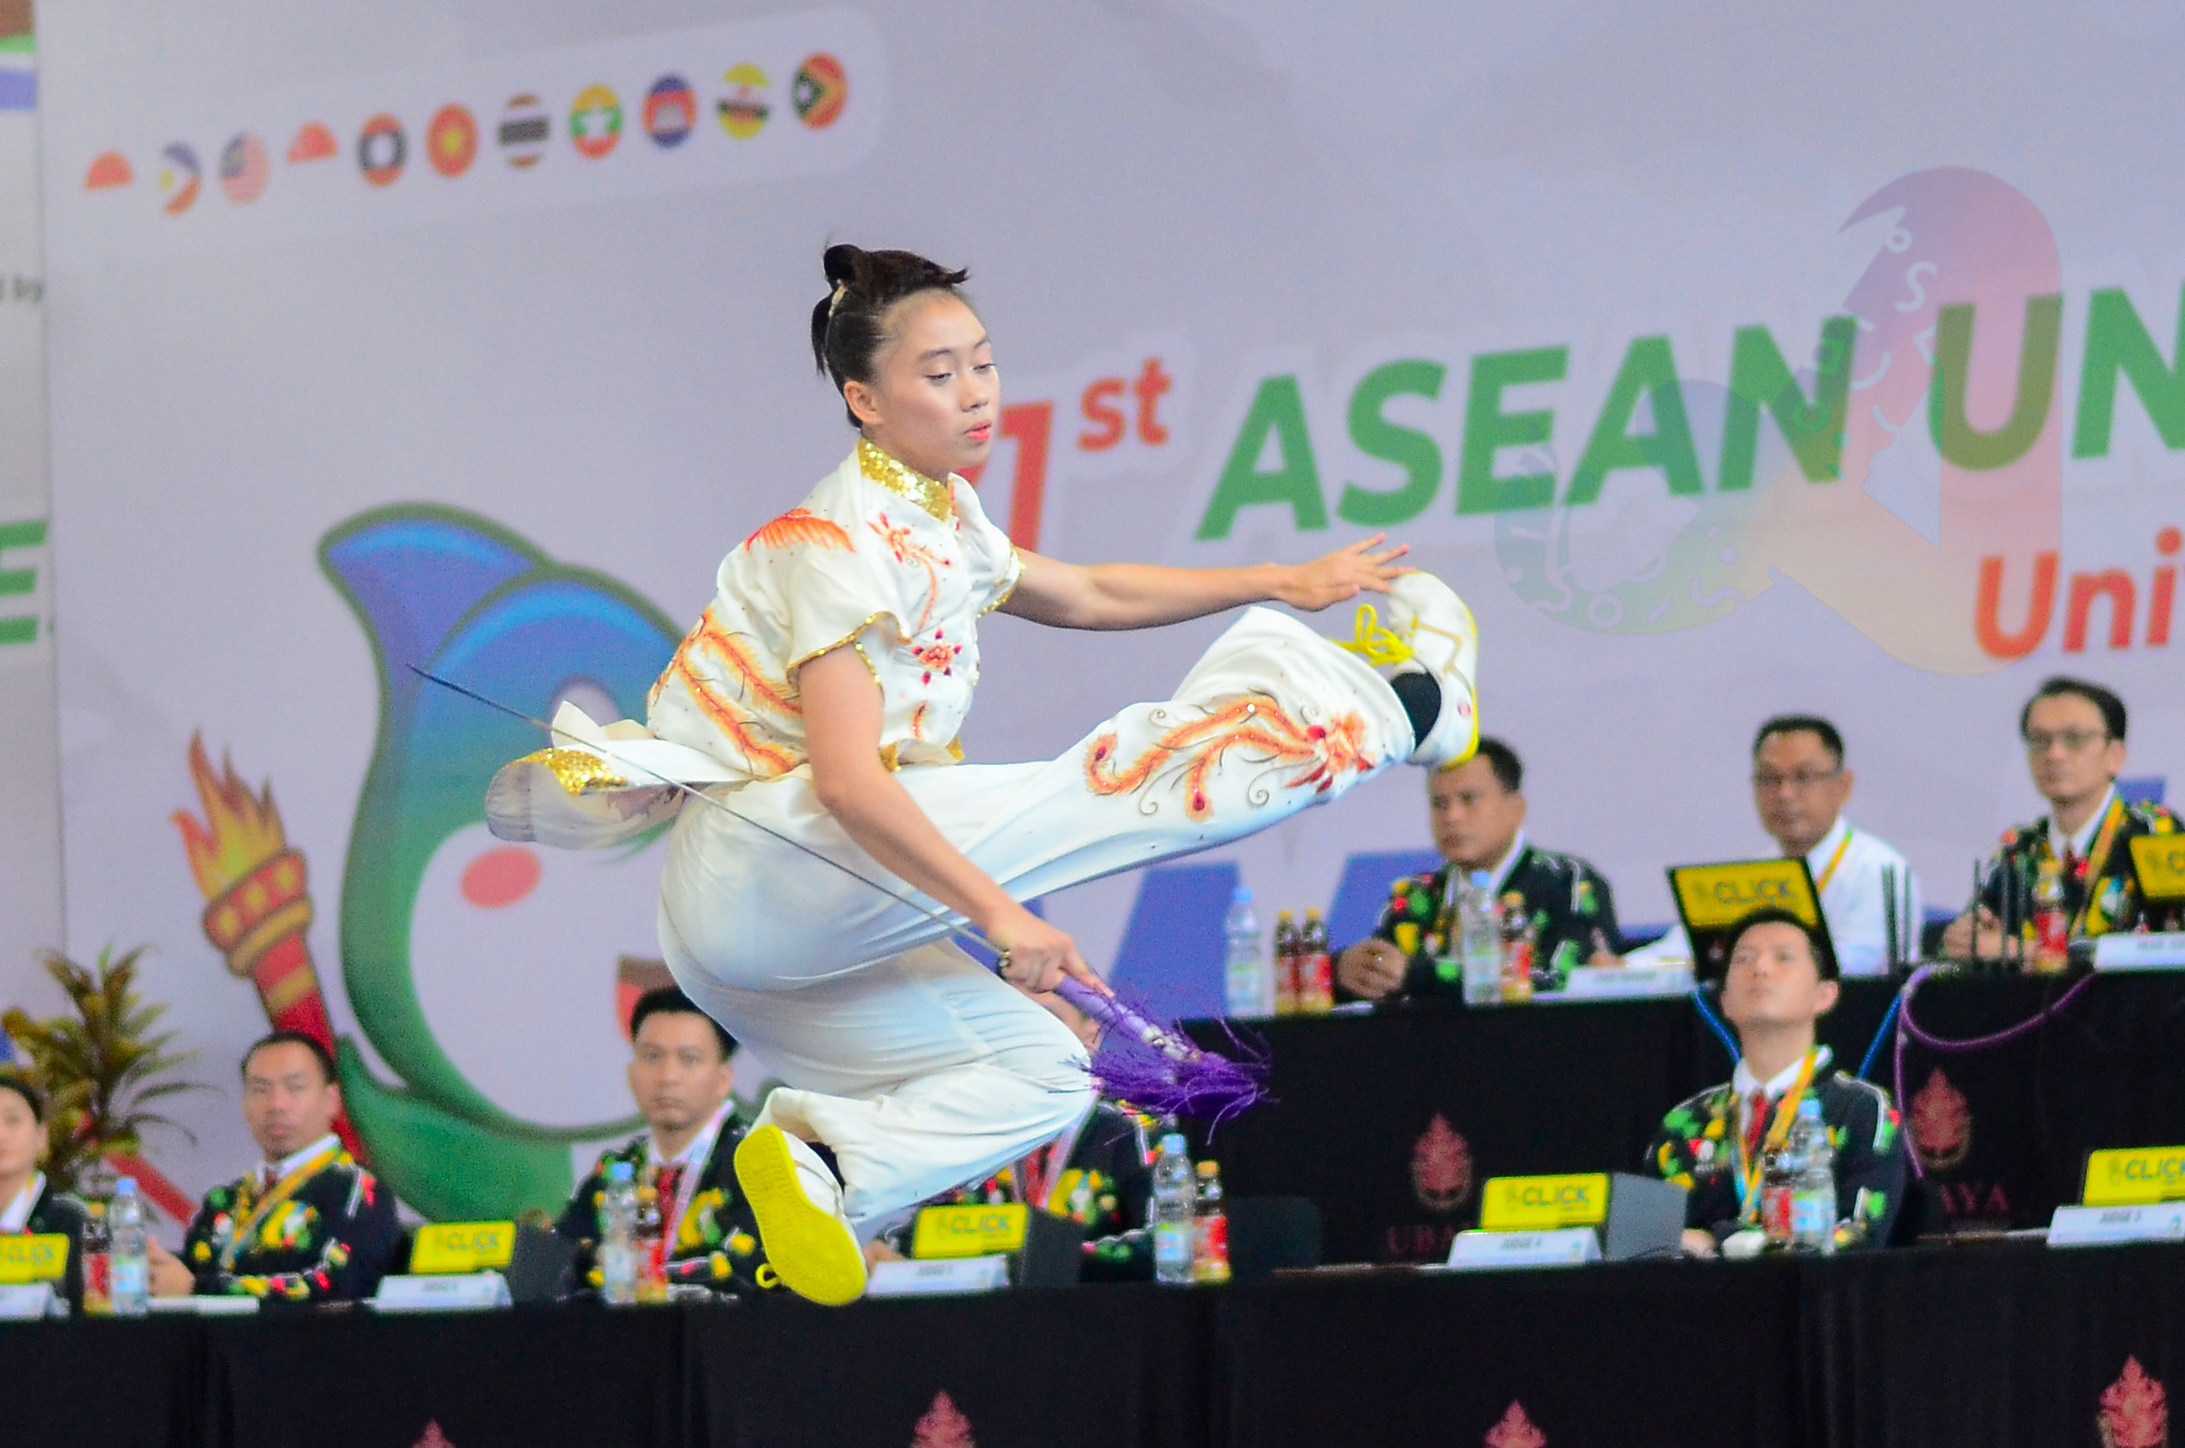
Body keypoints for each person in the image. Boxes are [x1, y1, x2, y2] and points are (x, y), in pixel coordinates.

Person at [486, 244, 1482, 1304]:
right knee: (1107, 790)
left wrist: (1287, 578)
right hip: (763, 863)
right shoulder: (836, 542)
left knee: (1045, 1069)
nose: (975, 393)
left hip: (765, 951)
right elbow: (847, 784)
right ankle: (1411, 706)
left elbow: (1089, 592)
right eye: (939, 372)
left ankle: (826, 1165)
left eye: (983, 364)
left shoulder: (941, 516)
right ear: (865, 400)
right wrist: (1004, 917)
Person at [1643, 908, 1906, 1254]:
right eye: (1744, 959)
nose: (1761, 969)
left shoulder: (1862, 1109)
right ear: (1725, 1001)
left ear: (1825, 994)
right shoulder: (1686, 1121)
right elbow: (1649, 1244)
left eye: (1783, 957)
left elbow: (1858, 1235)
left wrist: (1719, 1242)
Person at [873, 993, 1157, 1282]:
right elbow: (912, 1237)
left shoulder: (1135, 1128)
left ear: (1091, 1036)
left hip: (1095, 1307)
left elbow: (1163, 1243)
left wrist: (1045, 1259)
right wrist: (886, 1256)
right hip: (980, 1309)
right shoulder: (968, 1132)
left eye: (1049, 1021)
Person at [1624, 715, 1922, 977]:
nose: (1785, 794)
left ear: (1843, 786)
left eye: (1803, 777)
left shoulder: (1879, 871)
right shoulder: (1757, 873)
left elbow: (1860, 965)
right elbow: (1684, 947)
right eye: (1770, 779)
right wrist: (1623, 967)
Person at [1334, 737, 1618, 1000]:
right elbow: (1380, 974)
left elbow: (1564, 979)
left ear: (1516, 809)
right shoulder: (1416, 895)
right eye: (1439, 804)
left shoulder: (1568, 883)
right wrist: (1343, 972)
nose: (1452, 816)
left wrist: (1416, 976)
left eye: (1469, 800)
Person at [150, 1031, 401, 1302]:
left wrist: (198, 1291)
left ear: (332, 1099)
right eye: (260, 1090)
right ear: (245, 1102)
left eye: (295, 1088)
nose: (276, 1105)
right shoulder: (225, 1201)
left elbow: (338, 1289)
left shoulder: (357, 1191)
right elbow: (189, 1276)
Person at [554, 986, 774, 1295]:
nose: (668, 1076)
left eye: (689, 1059)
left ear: (723, 1079)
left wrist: (635, 1272)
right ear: (631, 1074)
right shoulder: (615, 1172)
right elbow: (559, 1260)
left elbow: (750, 1271)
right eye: (652, 1057)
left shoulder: (755, 1165)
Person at [1942, 677, 2183, 959]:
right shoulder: (2018, 848)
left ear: (2115, 755)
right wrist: (1965, 939)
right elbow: (1975, 941)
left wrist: (2025, 951)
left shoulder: (2155, 832)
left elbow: (2173, 947)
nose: (2054, 754)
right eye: (2040, 741)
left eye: (2074, 739)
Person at [0, 1072, 89, 1309]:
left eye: (12, 1121)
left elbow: (100, 1299)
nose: (1, 1135)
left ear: (41, 1137)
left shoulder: (79, 1217)